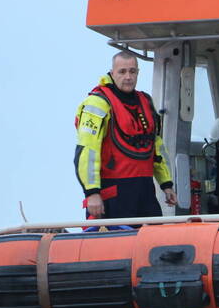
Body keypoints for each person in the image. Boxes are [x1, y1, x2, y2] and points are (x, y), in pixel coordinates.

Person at [75, 52, 176, 220]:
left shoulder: (146, 102)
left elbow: (156, 147)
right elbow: (88, 151)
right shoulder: (98, 104)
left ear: (138, 73)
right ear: (112, 73)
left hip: (145, 194)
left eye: (132, 71)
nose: (128, 77)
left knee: (155, 233)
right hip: (113, 196)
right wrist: (92, 193)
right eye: (122, 72)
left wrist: (166, 184)